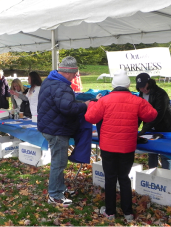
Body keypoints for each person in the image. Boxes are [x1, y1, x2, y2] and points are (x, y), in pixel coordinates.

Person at [85, 70, 157, 221]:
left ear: (113, 85)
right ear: (128, 85)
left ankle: (110, 212)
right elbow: (152, 115)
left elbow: (90, 117)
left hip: (108, 146)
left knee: (110, 178)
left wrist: (92, 103)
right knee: (124, 178)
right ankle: (128, 212)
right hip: (127, 147)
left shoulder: (104, 100)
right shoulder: (137, 100)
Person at [38, 56, 90, 207]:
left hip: (50, 127)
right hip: (57, 130)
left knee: (58, 161)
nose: (75, 77)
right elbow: (68, 108)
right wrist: (85, 105)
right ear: (68, 72)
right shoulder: (61, 86)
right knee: (59, 163)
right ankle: (54, 195)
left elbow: (62, 104)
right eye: (75, 74)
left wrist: (77, 103)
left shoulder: (49, 81)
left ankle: (59, 188)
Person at [136, 73, 171, 169]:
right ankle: (152, 174)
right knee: (151, 152)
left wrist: (144, 129)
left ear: (149, 83)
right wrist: (136, 128)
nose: (142, 89)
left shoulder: (161, 94)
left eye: (144, 86)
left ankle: (166, 175)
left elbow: (158, 114)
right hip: (150, 128)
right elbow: (140, 112)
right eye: (140, 87)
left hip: (164, 127)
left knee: (164, 154)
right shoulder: (141, 94)